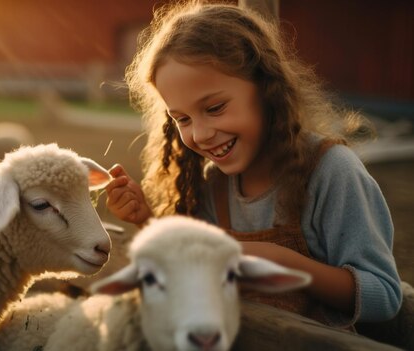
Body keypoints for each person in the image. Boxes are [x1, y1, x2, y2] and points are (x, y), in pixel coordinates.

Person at [105, 1, 401, 328]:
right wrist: (146, 220)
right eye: (183, 119)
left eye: (215, 108)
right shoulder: (212, 184)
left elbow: (385, 297)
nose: (200, 134)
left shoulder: (331, 172)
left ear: (265, 88)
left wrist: (284, 263)